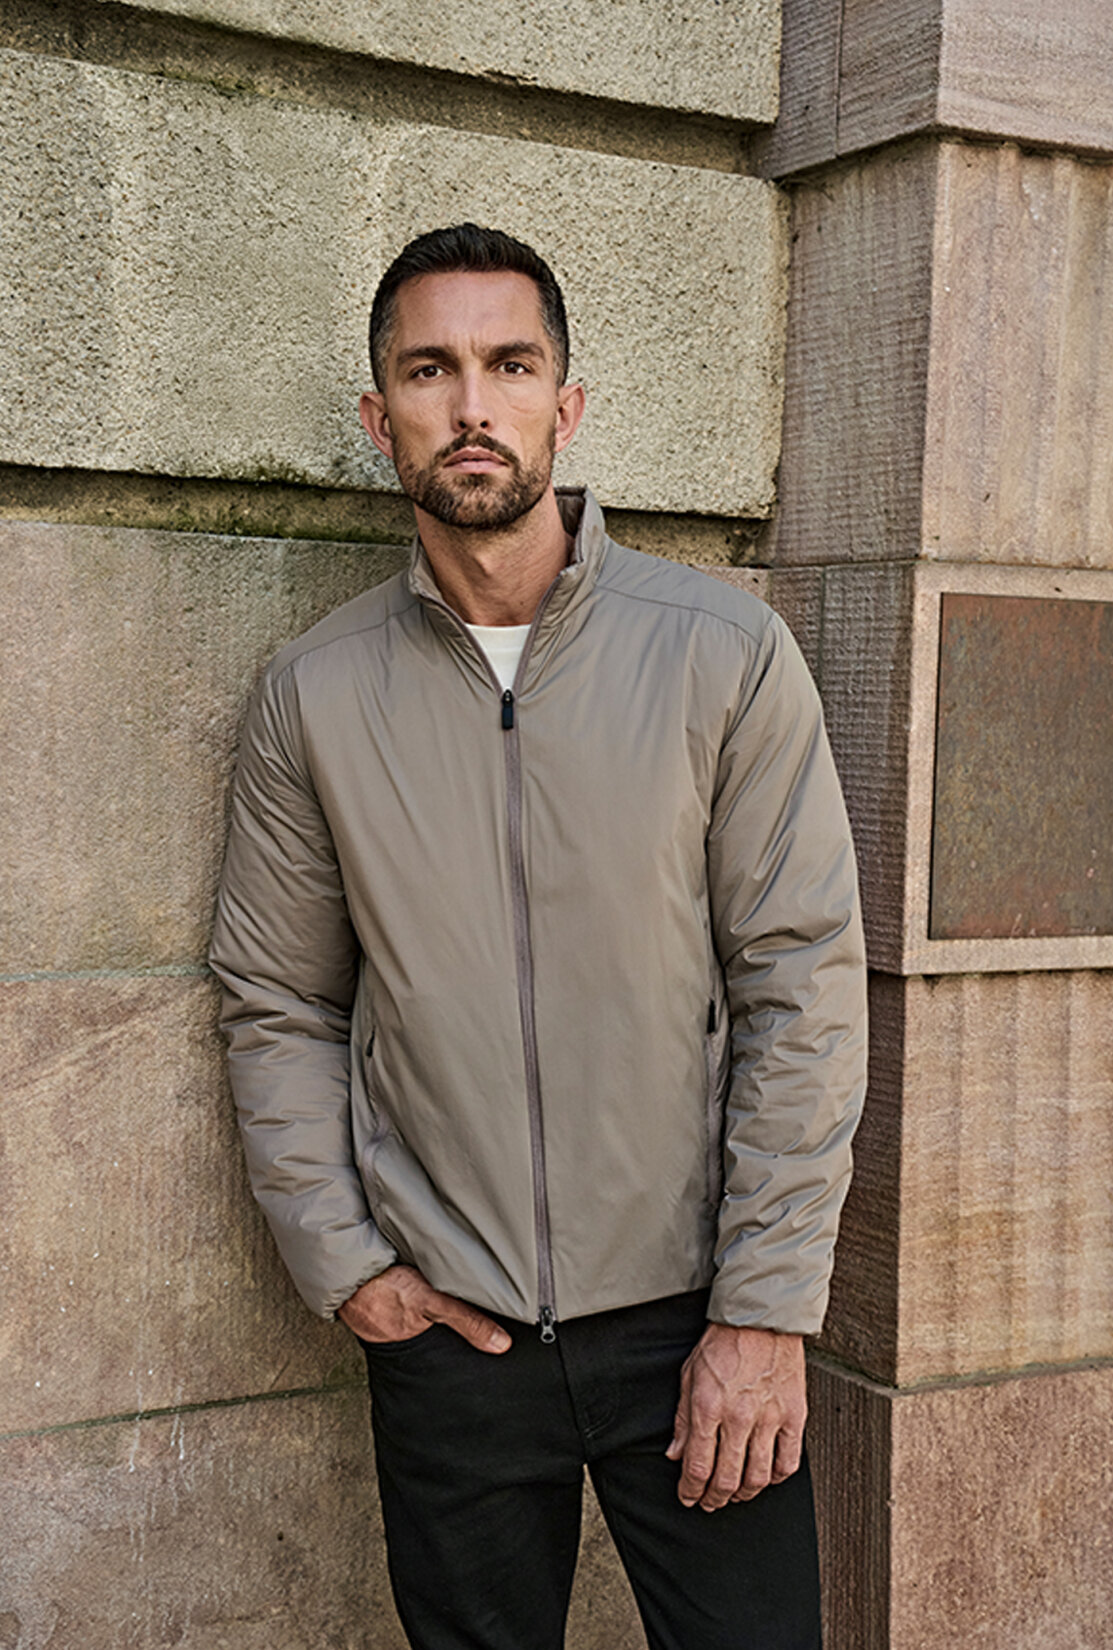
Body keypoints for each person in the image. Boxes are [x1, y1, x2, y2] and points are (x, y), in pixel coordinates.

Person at [210, 223, 867, 1650]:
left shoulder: (719, 653)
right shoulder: (314, 694)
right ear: (380, 417)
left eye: (509, 365)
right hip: (453, 1338)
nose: (472, 404)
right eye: (429, 370)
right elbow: (276, 1001)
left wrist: (763, 1311)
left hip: (696, 1320)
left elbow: (801, 984)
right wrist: (350, 1265)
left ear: (565, 408)